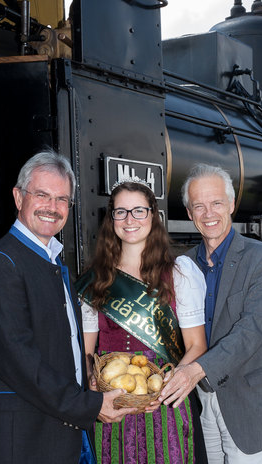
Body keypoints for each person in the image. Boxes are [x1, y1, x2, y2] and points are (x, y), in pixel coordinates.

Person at [0, 150, 134, 464]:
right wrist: (89, 405)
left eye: (61, 200)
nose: (52, 208)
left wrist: (88, 381)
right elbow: (19, 360)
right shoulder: (0, 264)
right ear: (18, 197)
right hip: (19, 442)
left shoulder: (55, 263)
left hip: (57, 435)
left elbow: (60, 346)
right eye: (42, 195)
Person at [158, 164, 262, 463]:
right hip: (201, 400)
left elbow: (254, 329)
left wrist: (195, 371)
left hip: (250, 401)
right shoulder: (183, 265)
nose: (208, 214)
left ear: (232, 205)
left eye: (216, 203)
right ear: (189, 212)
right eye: (199, 206)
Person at [76, 178, 208, 463]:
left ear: (153, 216)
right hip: (112, 401)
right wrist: (92, 387)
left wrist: (164, 387)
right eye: (120, 211)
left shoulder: (180, 274)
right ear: (111, 219)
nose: (129, 219)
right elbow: (86, 351)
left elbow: (196, 346)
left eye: (139, 210)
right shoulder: (95, 279)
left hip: (164, 400)